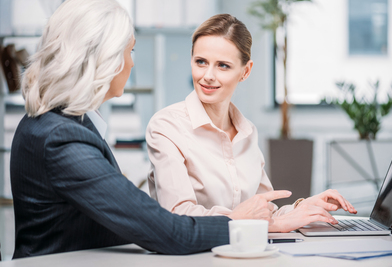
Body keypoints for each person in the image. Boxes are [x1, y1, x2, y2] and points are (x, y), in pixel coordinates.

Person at [10, 0, 290, 259]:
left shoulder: (64, 125)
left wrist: (289, 213)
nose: (132, 63)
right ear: (105, 60)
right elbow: (169, 232)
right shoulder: (62, 138)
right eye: (129, 51)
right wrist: (236, 222)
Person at [146, 14, 357, 232]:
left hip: (246, 253)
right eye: (201, 62)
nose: (208, 75)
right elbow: (177, 216)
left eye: (223, 66)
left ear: (245, 71)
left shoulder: (247, 132)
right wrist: (245, 220)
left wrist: (303, 207)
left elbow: (265, 213)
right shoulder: (167, 126)